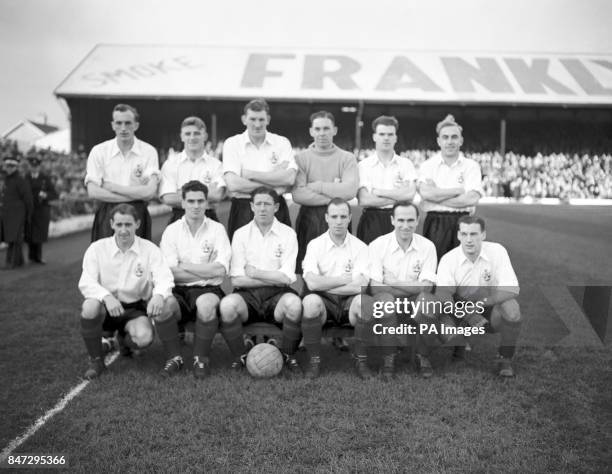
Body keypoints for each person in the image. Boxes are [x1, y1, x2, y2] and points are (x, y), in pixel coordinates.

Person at [77, 204, 175, 379]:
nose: (123, 230)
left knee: (144, 338)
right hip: (105, 307)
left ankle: (124, 340)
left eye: (128, 225)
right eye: (119, 224)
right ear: (112, 224)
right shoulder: (97, 248)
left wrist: (159, 295)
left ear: (137, 224)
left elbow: (164, 277)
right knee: (89, 306)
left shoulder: (149, 249)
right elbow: (86, 281)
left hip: (133, 308)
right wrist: (106, 296)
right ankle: (96, 361)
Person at [219, 187, 302, 374]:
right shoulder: (240, 234)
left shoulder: (288, 234)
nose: (262, 208)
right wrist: (273, 277)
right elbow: (237, 280)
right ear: (251, 206)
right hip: (248, 295)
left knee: (295, 305)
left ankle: (287, 355)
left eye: (267, 204)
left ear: (277, 207)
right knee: (227, 306)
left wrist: (255, 273)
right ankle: (240, 355)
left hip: (278, 295)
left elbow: (287, 277)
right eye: (258, 204)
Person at [158, 180, 231, 378]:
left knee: (207, 305)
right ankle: (174, 358)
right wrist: (205, 270)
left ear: (207, 203)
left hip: (208, 290)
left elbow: (220, 271)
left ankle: (200, 359)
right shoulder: (171, 231)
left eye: (200, 201)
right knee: (163, 305)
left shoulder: (217, 230)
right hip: (178, 289)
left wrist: (185, 266)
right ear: (182, 203)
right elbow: (170, 273)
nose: (196, 206)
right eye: (191, 201)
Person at [436, 215, 522, 377]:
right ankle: (459, 346)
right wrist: (467, 314)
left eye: (474, 234)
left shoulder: (497, 251)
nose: (469, 239)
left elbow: (512, 289)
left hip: (488, 307)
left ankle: (505, 359)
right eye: (464, 234)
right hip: (459, 309)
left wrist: (482, 303)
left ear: (483, 235)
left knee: (512, 309)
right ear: (458, 235)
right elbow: (442, 295)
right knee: (446, 332)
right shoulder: (448, 259)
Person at [300, 198, 371, 379]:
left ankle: (361, 361)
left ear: (349, 218)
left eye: (342, 216)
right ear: (326, 218)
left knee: (365, 302)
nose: (338, 221)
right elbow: (312, 284)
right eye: (334, 216)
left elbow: (360, 286)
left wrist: (325, 284)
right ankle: (314, 361)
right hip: (325, 304)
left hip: (349, 303)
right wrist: (340, 280)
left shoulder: (361, 247)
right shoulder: (315, 245)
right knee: (310, 302)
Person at [368, 202, 438, 378]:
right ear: (392, 220)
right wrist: (412, 288)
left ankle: (423, 356)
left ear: (418, 221)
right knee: (386, 302)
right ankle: (388, 358)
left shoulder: (428, 246)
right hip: (389, 298)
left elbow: (427, 287)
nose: (405, 226)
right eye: (400, 220)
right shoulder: (377, 245)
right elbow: (376, 288)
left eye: (410, 220)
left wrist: (394, 282)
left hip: (415, 300)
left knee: (428, 302)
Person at [292, 111, 359, 274]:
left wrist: (318, 186)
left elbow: (350, 191)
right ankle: (309, 297)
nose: (322, 133)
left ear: (334, 130)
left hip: (339, 217)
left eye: (326, 128)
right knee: (309, 269)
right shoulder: (301, 158)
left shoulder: (347, 158)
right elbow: (298, 194)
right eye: (318, 129)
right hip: (309, 218)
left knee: (342, 267)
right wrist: (335, 193)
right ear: (311, 131)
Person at [222, 99, 296, 240]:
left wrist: (250, 174)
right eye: (253, 119)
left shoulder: (281, 142)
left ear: (268, 119)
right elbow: (233, 184)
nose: (257, 124)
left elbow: (289, 178)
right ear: (244, 119)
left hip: (275, 206)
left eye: (261, 119)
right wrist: (274, 182)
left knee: (279, 254)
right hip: (243, 208)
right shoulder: (232, 143)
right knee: (242, 258)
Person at [85, 103, 160, 242]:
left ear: (136, 125)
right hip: (108, 212)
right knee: (105, 260)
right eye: (119, 123)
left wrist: (113, 187)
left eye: (128, 123)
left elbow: (149, 193)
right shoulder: (99, 151)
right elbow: (93, 192)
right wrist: (136, 194)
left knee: (139, 260)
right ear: (113, 125)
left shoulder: (149, 151)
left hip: (137, 213)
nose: (123, 128)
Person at [418, 114, 482, 260]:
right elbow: (426, 193)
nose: (450, 141)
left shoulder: (471, 166)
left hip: (465, 222)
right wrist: (458, 191)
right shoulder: (428, 165)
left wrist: (436, 196)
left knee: (465, 269)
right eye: (445, 137)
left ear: (461, 140)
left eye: (454, 137)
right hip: (435, 223)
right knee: (436, 270)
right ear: (438, 141)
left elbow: (471, 199)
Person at [357, 116, 417, 244]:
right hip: (371, 221)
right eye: (382, 134)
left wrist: (379, 192)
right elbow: (364, 199)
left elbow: (410, 194)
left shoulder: (406, 164)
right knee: (371, 262)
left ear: (395, 137)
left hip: (399, 219)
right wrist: (398, 195)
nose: (386, 138)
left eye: (390, 134)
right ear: (374, 137)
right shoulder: (363, 165)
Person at [159, 116, 225, 225]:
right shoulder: (170, 164)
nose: (192, 137)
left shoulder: (217, 165)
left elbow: (217, 196)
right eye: (188, 134)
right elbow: (168, 198)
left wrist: (181, 192)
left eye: (197, 133)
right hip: (178, 217)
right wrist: (205, 194)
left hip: (209, 217)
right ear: (181, 136)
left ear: (205, 136)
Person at [0, 154, 33, 269]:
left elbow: (28, 199)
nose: (8, 168)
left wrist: (28, 214)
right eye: (7, 166)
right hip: (8, 215)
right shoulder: (7, 180)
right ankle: (18, 262)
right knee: (12, 239)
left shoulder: (20, 180)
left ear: (15, 167)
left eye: (10, 166)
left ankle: (12, 262)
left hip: (17, 214)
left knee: (15, 238)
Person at [25, 155, 58, 264]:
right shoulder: (26, 177)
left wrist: (46, 195)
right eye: (32, 166)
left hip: (41, 210)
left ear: (39, 167)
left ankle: (38, 257)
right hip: (29, 210)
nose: (34, 168)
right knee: (29, 233)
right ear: (30, 166)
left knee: (39, 234)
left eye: (36, 166)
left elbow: (54, 194)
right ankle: (31, 256)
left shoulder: (45, 178)